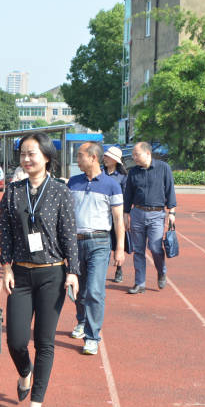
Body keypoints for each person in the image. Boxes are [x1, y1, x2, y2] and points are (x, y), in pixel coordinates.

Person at [0, 132, 80, 407]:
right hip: (19, 273)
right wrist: (5, 267)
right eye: (23, 153)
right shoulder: (13, 191)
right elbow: (5, 231)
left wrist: (73, 272)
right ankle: (25, 371)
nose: (26, 158)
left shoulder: (60, 191)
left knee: (45, 341)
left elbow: (69, 233)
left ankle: (36, 403)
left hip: (52, 273)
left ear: (46, 157)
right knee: (16, 339)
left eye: (32, 153)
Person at [68, 142, 125, 356]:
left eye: (80, 155)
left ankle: (92, 336)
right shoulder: (73, 183)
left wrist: (119, 248)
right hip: (75, 243)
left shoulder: (112, 185)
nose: (77, 159)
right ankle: (82, 321)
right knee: (79, 290)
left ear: (93, 157)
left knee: (94, 290)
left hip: (100, 243)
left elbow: (118, 220)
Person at [123, 142, 177, 294]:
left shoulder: (163, 168)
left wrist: (172, 212)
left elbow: (170, 190)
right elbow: (128, 195)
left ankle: (161, 270)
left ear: (148, 153)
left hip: (156, 214)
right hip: (137, 213)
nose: (134, 158)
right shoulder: (133, 172)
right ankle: (140, 283)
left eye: (136, 155)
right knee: (138, 250)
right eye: (133, 155)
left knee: (154, 247)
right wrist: (126, 214)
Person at [102, 146, 128, 283]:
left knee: (118, 242)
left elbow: (125, 197)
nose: (105, 158)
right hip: (101, 214)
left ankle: (119, 269)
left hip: (116, 215)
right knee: (104, 242)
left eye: (108, 156)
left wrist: (125, 215)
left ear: (115, 160)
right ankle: (101, 269)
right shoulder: (100, 173)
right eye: (105, 156)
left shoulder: (123, 177)